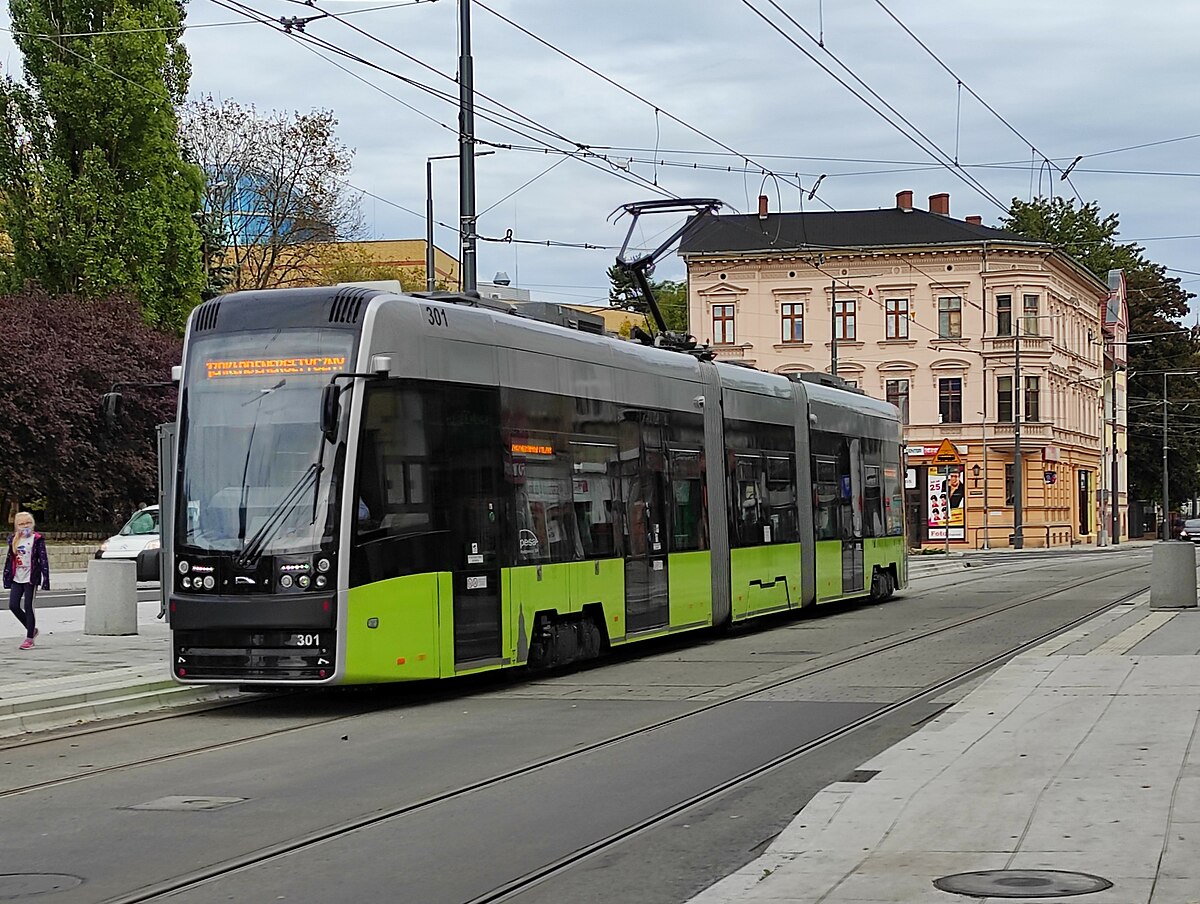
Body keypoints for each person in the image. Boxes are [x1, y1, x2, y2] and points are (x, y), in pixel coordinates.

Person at [4, 511, 50, 650]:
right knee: (13, 605)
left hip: (31, 578)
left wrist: (45, 578)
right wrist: (7, 577)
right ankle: (32, 629)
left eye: (28, 523)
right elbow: (9, 560)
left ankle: (29, 638)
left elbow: (43, 559)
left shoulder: (37, 539)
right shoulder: (14, 539)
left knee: (29, 606)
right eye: (22, 524)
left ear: (33, 524)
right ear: (16, 526)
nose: (25, 526)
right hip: (17, 577)